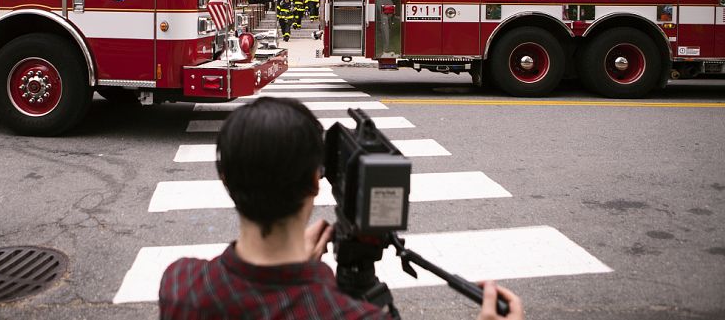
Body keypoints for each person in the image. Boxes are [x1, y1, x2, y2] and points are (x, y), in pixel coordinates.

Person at [159, 97, 524, 320]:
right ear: (317, 181)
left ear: (224, 178)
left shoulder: (180, 284)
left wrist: (297, 273)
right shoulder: (353, 314)